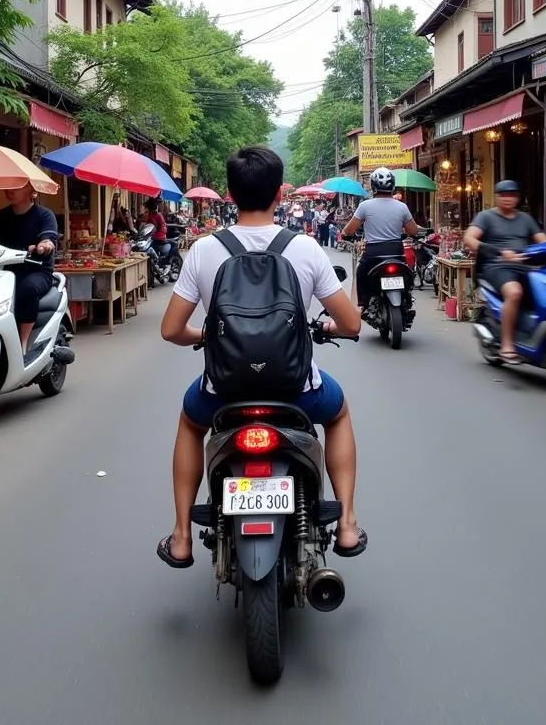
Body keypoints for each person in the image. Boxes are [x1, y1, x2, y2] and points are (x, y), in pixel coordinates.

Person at [157, 146, 365, 568]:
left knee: (189, 420)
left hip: (223, 392)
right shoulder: (306, 249)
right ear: (277, 195)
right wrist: (326, 327)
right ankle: (345, 523)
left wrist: (204, 337)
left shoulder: (203, 250)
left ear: (230, 196)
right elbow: (352, 325)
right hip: (296, 390)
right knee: (339, 413)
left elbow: (170, 330)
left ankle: (181, 535)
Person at [463, 181, 546, 364]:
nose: (508, 198)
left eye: (512, 195)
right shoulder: (485, 217)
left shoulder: (526, 219)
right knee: (514, 292)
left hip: (526, 267)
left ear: (517, 198)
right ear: (497, 197)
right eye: (503, 194)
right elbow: (469, 239)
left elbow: (544, 241)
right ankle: (507, 344)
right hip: (497, 266)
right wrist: (499, 252)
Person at [0, 186, 58, 350]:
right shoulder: (0, 217)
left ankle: (23, 344)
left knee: (26, 289)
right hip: (3, 272)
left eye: (16, 187)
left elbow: (48, 238)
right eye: (8, 187)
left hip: (37, 271)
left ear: (30, 190)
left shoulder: (45, 215)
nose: (9, 190)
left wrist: (44, 245)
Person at [341, 167, 420, 308]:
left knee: (360, 271)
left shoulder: (364, 206)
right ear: (393, 186)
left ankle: (363, 303)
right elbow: (413, 231)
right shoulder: (402, 207)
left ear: (373, 186)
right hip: (396, 252)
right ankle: (407, 297)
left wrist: (346, 236)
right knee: (408, 271)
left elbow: (348, 230)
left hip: (373, 254)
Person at [141, 198, 172, 263]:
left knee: (152, 246)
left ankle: (158, 261)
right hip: (152, 236)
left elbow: (162, 228)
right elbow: (147, 226)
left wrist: (154, 235)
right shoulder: (150, 215)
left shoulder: (159, 215)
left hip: (159, 237)